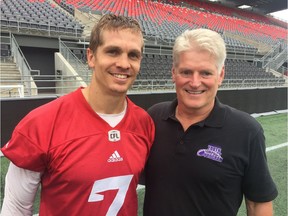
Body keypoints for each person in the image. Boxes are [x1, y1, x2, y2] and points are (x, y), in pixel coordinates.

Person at [1, 14, 155, 216]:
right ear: (91, 57)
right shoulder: (42, 123)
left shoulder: (144, 123)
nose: (124, 64)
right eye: (113, 51)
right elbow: (16, 208)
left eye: (133, 55)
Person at [141, 28, 278, 216]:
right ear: (173, 73)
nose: (195, 82)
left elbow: (258, 204)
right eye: (186, 72)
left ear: (220, 75)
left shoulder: (247, 131)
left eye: (205, 73)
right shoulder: (154, 117)